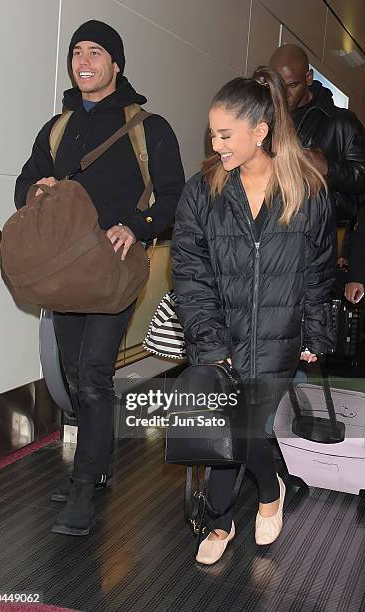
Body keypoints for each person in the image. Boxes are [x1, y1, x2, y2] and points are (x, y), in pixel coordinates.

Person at [15, 20, 185, 536]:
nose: (84, 61)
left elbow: (174, 196)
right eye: (76, 53)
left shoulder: (148, 127)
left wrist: (136, 226)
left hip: (112, 273)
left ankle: (85, 487)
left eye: (96, 52)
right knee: (72, 371)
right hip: (65, 275)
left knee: (94, 375)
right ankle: (98, 465)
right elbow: (24, 181)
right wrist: (36, 191)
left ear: (116, 63)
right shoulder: (58, 127)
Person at [171, 66, 335, 564]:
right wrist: (209, 340)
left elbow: (318, 269)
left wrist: (316, 330)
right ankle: (258, 497)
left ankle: (230, 514)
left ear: (260, 131)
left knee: (242, 429)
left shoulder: (305, 190)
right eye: (213, 134)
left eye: (226, 134)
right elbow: (189, 274)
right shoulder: (203, 192)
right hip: (223, 335)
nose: (216, 144)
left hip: (280, 338)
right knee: (232, 426)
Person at [269, 44, 365, 225]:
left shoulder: (342, 122)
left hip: (319, 232)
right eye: (278, 86)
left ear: (308, 78)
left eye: (292, 85)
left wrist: (328, 168)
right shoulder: (266, 120)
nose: (284, 94)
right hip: (273, 229)